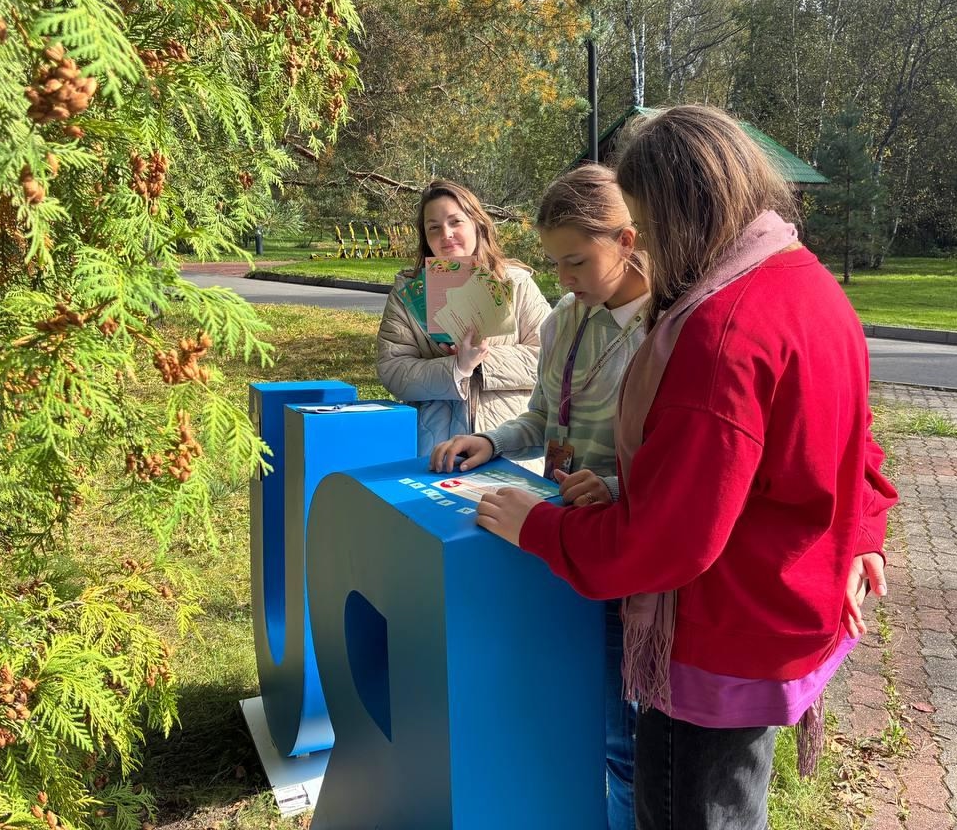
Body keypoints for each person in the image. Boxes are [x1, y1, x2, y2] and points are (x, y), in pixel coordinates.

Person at [476, 106, 899, 830]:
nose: (642, 246)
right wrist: (863, 533)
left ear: (677, 216)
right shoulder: (808, 282)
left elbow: (667, 540)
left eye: (643, 223)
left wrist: (537, 528)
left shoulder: (720, 331)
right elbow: (848, 441)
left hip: (715, 648)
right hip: (775, 619)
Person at [430, 164, 648, 830]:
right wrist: (491, 441)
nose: (564, 278)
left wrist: (612, 486)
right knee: (565, 708)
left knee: (622, 736)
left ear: (627, 241)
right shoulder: (562, 321)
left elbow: (679, 463)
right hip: (556, 536)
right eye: (554, 262)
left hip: (621, 549)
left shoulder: (662, 331)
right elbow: (543, 416)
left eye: (576, 261)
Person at [376, 180, 551, 458]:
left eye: (455, 222)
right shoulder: (407, 292)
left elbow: (550, 359)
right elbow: (393, 370)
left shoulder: (515, 284)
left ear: (477, 224)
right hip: (435, 446)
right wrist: (456, 367)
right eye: (434, 227)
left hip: (505, 442)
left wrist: (482, 360)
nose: (446, 234)